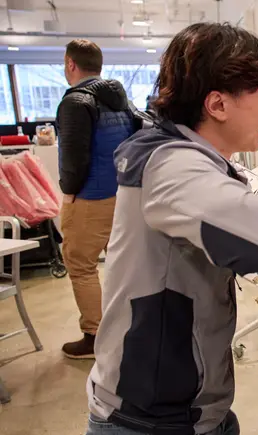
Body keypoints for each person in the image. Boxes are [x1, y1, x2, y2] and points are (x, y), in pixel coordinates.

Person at [85, 23, 258, 435]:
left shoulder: (179, 153)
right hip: (151, 418)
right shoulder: (172, 166)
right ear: (217, 104)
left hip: (187, 407)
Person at [56, 39, 135, 359]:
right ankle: (127, 328)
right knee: (120, 265)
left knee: (81, 266)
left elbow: (73, 158)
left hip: (90, 198)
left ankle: (94, 335)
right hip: (123, 194)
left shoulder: (75, 102)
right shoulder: (118, 99)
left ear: (71, 64)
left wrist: (69, 191)